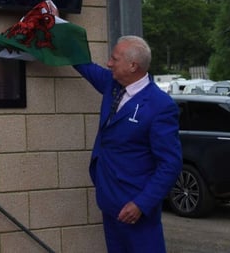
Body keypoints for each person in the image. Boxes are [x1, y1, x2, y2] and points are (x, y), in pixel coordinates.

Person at [74, 35, 182, 253]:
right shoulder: (113, 86)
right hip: (110, 201)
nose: (108, 63)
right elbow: (85, 65)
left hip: (135, 208)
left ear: (133, 66)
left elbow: (170, 164)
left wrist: (142, 203)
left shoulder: (159, 105)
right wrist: (56, 26)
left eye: (115, 59)